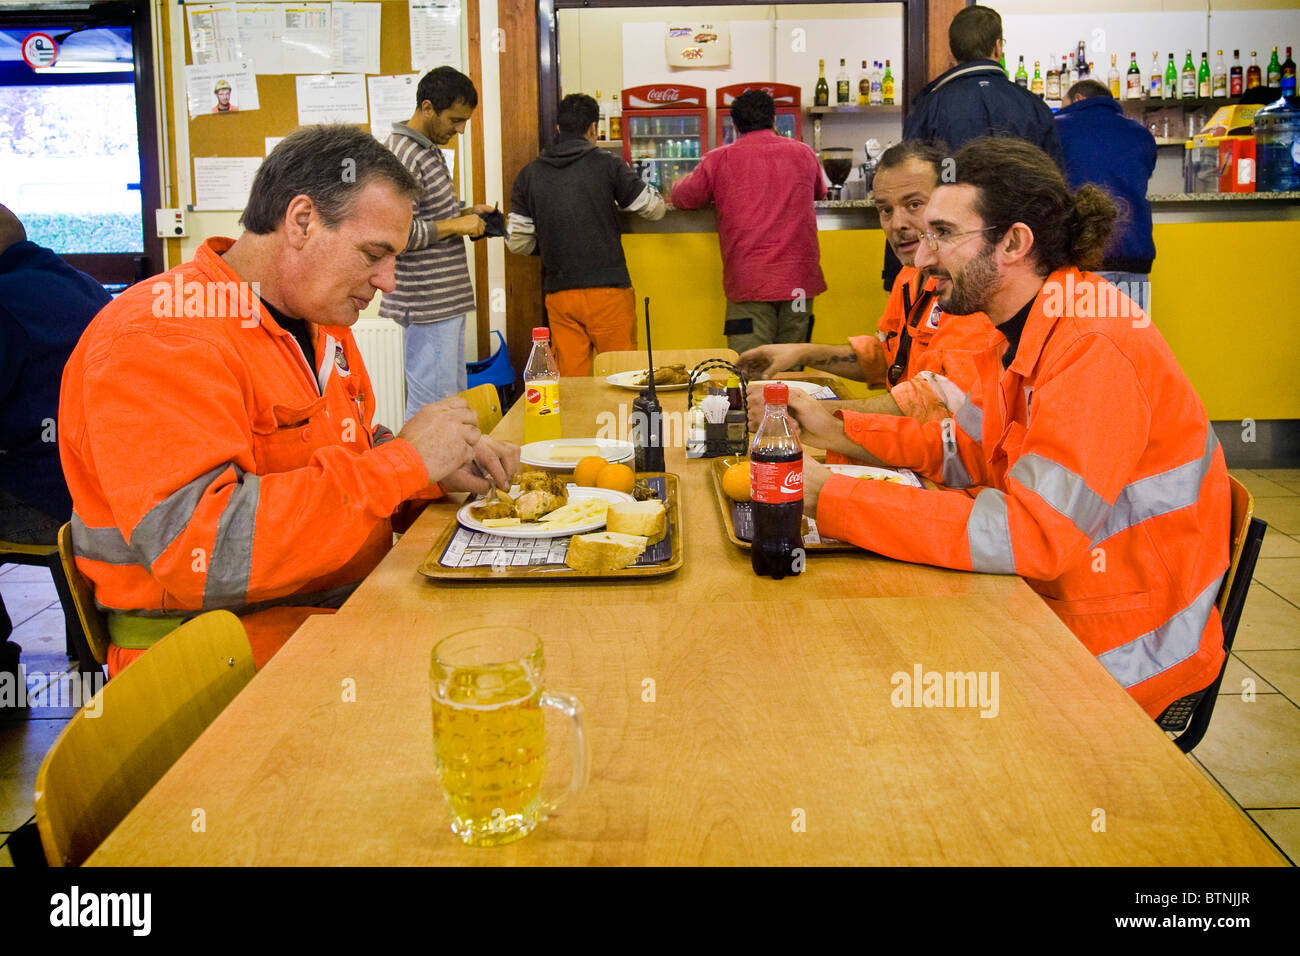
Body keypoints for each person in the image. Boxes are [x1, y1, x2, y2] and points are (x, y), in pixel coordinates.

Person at [59, 125, 519, 677]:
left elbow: (344, 461)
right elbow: (206, 556)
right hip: (219, 657)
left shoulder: (319, 322)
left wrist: (432, 473)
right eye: (374, 254)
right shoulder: (157, 337)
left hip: (327, 612)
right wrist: (404, 464)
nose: (389, 282)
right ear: (301, 221)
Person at [796, 137, 1229, 721]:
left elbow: (1032, 537)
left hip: (1122, 648)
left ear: (1014, 243)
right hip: (1064, 602)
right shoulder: (1020, 329)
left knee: (868, 693)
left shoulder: (1093, 345)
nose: (922, 258)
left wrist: (831, 494)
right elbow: (969, 451)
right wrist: (835, 429)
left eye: (943, 234)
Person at [736, 140, 997, 429]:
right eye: (885, 210)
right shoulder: (908, 277)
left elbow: (943, 403)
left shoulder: (968, 288)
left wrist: (801, 411)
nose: (898, 223)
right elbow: (888, 357)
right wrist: (800, 352)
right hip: (904, 447)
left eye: (914, 205)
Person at [1, 205, 111, 685]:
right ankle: (83, 646)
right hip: (103, 484)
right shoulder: (84, 284)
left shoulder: (5, 301)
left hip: (52, 494)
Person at [890, 4, 1063, 292]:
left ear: (953, 52)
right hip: (1022, 251)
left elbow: (909, 184)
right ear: (998, 47)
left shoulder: (929, 105)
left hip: (951, 254)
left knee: (948, 333)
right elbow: (1055, 186)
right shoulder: (1034, 106)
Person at [506, 93, 665, 376]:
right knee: (622, 376)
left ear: (558, 129)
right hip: (608, 291)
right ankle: (618, 422)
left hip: (559, 294)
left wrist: (550, 241)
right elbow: (654, 209)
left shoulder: (529, 174)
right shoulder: (607, 164)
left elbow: (518, 242)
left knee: (571, 384)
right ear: (593, 128)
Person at [671, 89, 826, 353]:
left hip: (750, 283)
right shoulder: (804, 153)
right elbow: (820, 192)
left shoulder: (719, 159)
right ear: (774, 120)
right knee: (792, 363)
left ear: (734, 125)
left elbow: (684, 197)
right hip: (799, 284)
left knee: (751, 366)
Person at [380, 66, 495, 420]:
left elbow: (426, 216)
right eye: (455, 120)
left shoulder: (426, 149)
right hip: (426, 302)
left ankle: (445, 475)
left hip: (444, 300)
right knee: (433, 408)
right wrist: (457, 224)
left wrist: (464, 212)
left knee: (450, 400)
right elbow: (395, 233)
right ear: (427, 108)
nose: (459, 130)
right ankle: (426, 477)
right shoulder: (402, 153)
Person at [1055, 79, 1157, 316]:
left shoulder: (1057, 128)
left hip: (1084, 259)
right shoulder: (1141, 134)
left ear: (1078, 99)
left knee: (1085, 346)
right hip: (1135, 261)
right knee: (1131, 345)